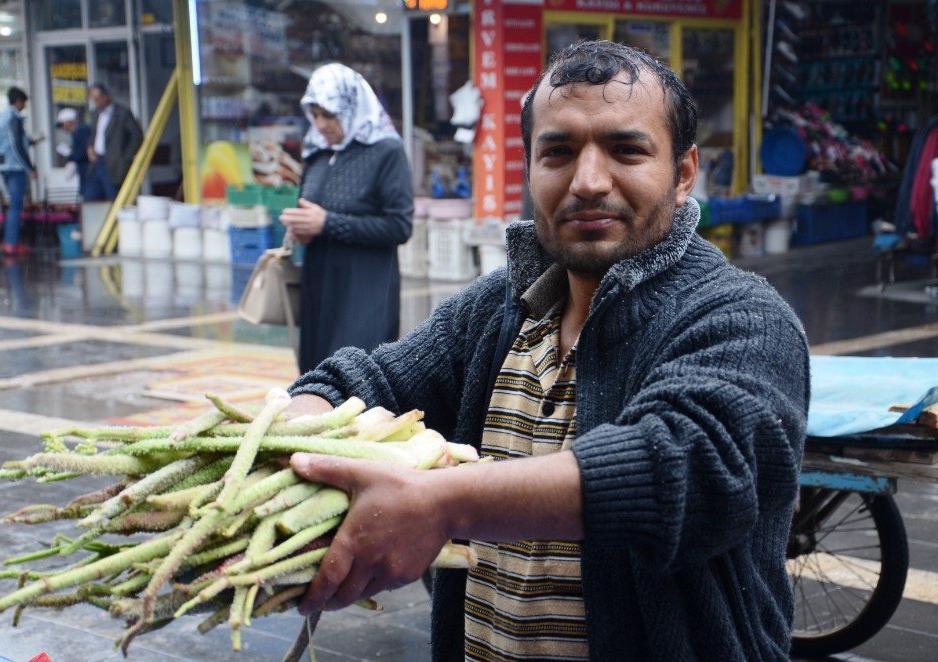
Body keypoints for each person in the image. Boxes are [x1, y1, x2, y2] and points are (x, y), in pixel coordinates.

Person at [282, 41, 810, 660]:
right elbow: (371, 379)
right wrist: (290, 436)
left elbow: (676, 466)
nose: (588, 182)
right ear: (529, 168)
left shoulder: (743, 318)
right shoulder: (497, 309)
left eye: (626, 149)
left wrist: (443, 506)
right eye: (558, 152)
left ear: (684, 171)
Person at [279, 63, 413, 373]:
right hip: (320, 288)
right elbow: (311, 208)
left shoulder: (386, 152)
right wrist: (302, 228)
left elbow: (399, 226)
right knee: (316, 380)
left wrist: (327, 223)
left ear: (353, 107)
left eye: (329, 114)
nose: (321, 124)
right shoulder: (317, 153)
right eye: (315, 115)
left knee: (353, 382)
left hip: (365, 291)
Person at [0, 87, 37, 256]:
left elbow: (4, 143)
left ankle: (10, 240)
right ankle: (11, 242)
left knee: (13, 205)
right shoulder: (13, 118)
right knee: (16, 206)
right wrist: (30, 168)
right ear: (18, 101)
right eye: (23, 102)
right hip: (14, 167)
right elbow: (16, 145)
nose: (24, 106)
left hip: (2, 165)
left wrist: (28, 142)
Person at [86, 83, 143, 201]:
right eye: (93, 99)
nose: (96, 102)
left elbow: (137, 136)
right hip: (96, 163)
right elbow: (94, 134)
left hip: (114, 164)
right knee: (91, 199)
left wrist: (125, 157)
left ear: (106, 96)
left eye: (97, 98)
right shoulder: (95, 114)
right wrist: (90, 147)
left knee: (113, 199)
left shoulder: (122, 113)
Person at [55, 107, 92, 198]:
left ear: (70, 122)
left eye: (63, 125)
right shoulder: (79, 132)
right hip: (87, 172)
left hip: (89, 173)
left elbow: (82, 154)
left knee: (89, 199)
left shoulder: (80, 132)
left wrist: (69, 155)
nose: (63, 129)